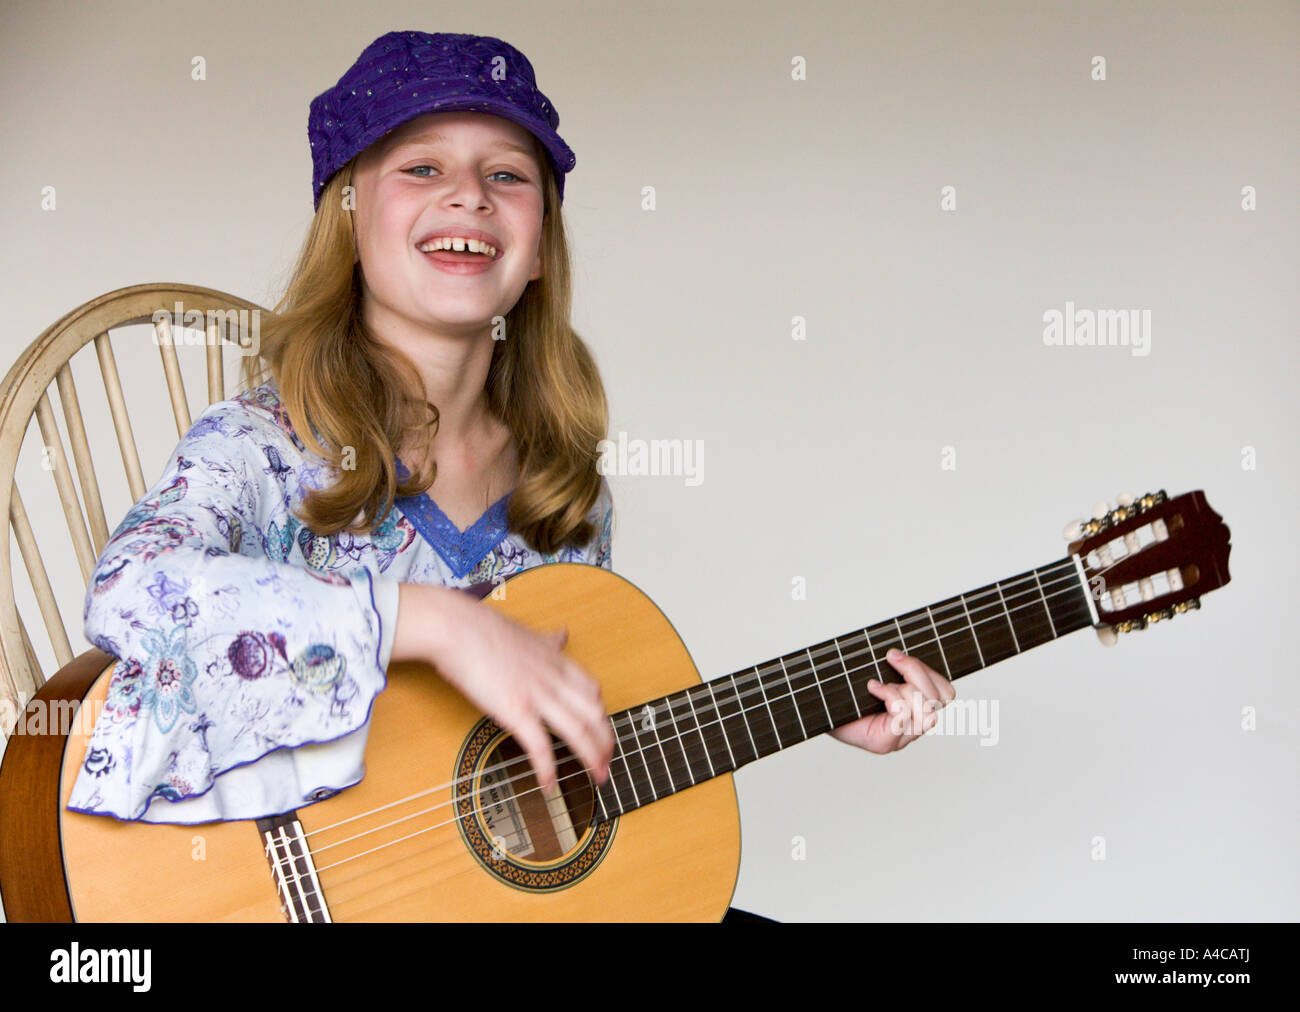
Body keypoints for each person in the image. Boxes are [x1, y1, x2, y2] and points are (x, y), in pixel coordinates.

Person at [66, 30, 954, 921]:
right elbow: (132, 593)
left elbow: (541, 785)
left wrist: (804, 709)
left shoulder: (564, 493)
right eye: (420, 167)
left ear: (537, 248)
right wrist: (437, 627)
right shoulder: (265, 444)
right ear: (348, 209)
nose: (468, 195)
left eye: (507, 176)